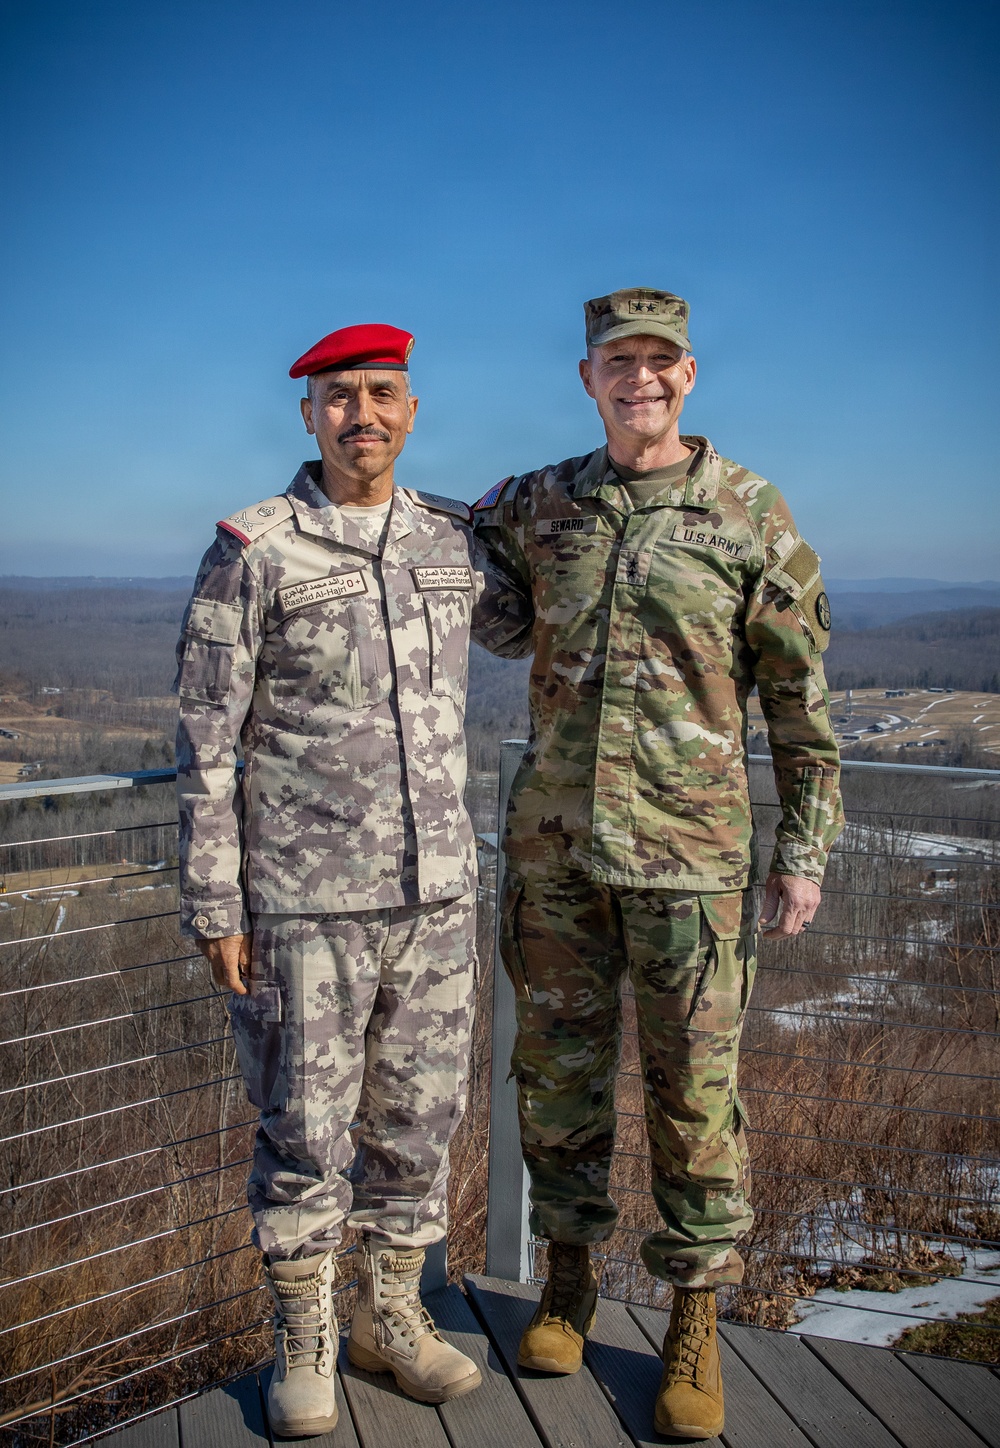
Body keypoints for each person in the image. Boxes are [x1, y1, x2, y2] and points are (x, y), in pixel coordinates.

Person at [471, 288, 843, 1439]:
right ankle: (569, 1276)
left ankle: (693, 1316)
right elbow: (472, 585)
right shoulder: (539, 503)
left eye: (660, 361)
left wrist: (804, 848)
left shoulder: (747, 513)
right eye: (617, 360)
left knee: (696, 1098)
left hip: (692, 860)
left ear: (689, 377)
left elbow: (798, 696)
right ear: (587, 377)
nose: (640, 377)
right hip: (558, 853)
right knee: (559, 1077)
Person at [175, 323, 517, 1436]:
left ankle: (392, 1315)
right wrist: (215, 898)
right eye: (338, 397)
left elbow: (536, 618)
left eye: (381, 394)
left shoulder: (454, 543)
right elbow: (207, 736)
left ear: (411, 410)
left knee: (419, 1118)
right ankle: (304, 1337)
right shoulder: (255, 547)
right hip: (304, 902)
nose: (360, 414)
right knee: (305, 1126)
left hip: (435, 897)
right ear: (309, 414)